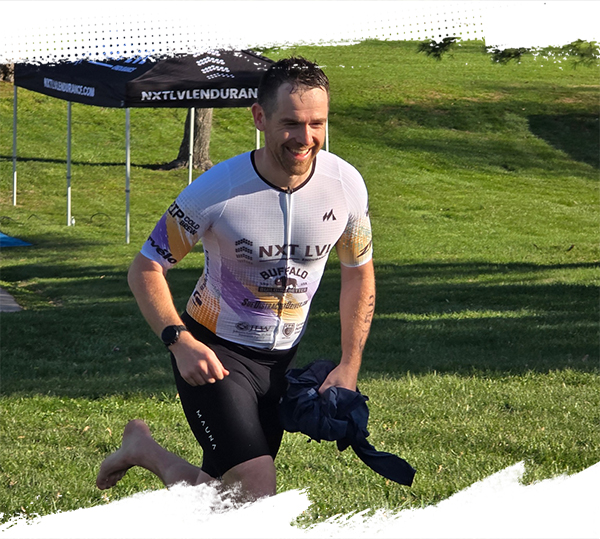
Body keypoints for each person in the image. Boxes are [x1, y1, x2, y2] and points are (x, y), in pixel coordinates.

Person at [96, 57, 376, 501]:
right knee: (256, 490)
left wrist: (350, 364)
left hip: (281, 361)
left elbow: (358, 274)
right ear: (260, 117)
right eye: (291, 123)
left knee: (227, 501)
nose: (305, 138)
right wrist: (180, 342)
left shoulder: (345, 186)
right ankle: (149, 453)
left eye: (317, 123)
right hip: (215, 352)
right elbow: (146, 267)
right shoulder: (217, 189)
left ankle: (143, 449)